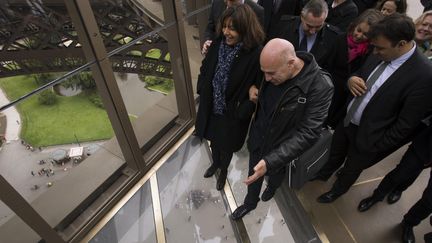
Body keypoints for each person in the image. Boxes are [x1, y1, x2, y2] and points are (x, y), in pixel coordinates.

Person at [313, 13, 432, 203]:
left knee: (351, 170)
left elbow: (406, 123)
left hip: (370, 139)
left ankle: (337, 191)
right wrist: (351, 80)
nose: (374, 52)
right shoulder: (382, 47)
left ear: (401, 44)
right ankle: (323, 174)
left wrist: (377, 145)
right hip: (346, 122)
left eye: (379, 48)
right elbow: (360, 72)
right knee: (334, 154)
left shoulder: (424, 75)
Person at [231, 38, 334, 220]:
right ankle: (250, 203)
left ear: (291, 64)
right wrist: (252, 88)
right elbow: (257, 80)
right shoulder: (271, 66)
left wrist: (272, 161)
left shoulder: (320, 86)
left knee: (275, 173)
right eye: (264, 73)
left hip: (282, 149)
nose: (267, 79)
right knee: (253, 176)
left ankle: (272, 188)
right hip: (258, 139)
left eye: (271, 74)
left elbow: (309, 132)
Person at [195, 4, 265, 191]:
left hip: (232, 113)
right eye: (224, 26)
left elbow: (259, 88)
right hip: (212, 108)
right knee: (213, 141)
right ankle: (215, 164)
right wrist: (202, 88)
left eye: (232, 28)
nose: (226, 32)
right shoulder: (218, 43)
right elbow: (206, 67)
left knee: (226, 147)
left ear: (245, 28)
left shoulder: (256, 53)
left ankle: (223, 170)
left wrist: (246, 107)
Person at [326, 9, 383, 127]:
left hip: (346, 96)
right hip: (328, 88)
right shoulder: (340, 39)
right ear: (355, 25)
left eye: (365, 34)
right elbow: (326, 64)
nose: (359, 35)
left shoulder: (371, 52)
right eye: (359, 30)